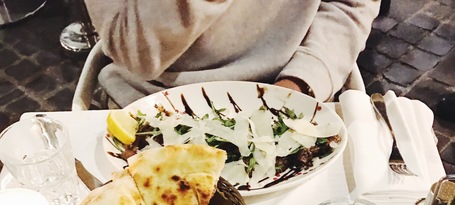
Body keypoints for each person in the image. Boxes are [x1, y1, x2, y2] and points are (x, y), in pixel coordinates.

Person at [84, 0, 381, 108]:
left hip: (289, 93)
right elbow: (134, 52)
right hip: (151, 102)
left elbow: (348, 8)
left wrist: (296, 87)